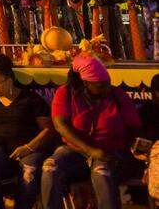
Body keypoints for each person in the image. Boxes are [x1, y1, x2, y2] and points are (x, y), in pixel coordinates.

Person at [41, 55, 141, 209]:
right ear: (85, 83)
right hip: (75, 151)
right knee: (50, 168)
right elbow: (60, 125)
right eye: (100, 86)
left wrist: (125, 151)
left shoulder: (118, 95)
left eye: (108, 84)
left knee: (101, 172)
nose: (107, 89)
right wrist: (90, 150)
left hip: (110, 152)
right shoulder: (66, 93)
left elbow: (134, 128)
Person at [0, 54, 54, 209]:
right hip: (1, 150)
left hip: (30, 149)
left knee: (28, 170)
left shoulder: (30, 99)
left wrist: (28, 147)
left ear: (9, 80)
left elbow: (48, 129)